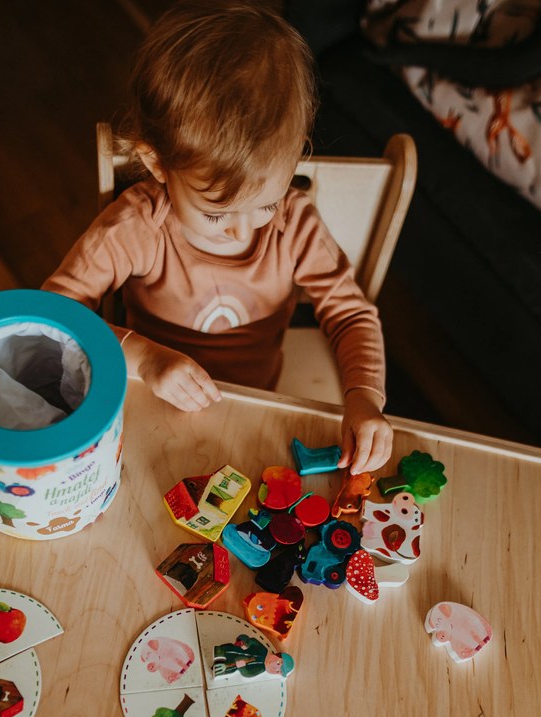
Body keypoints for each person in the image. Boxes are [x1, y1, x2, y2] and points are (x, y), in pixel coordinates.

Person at [43, 0, 393, 473]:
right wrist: (143, 358)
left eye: (266, 203)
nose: (244, 229)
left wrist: (364, 397)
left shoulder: (294, 223)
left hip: (258, 404)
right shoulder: (139, 224)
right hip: (144, 397)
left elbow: (350, 313)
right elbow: (53, 317)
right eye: (217, 211)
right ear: (157, 164)